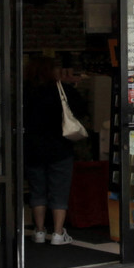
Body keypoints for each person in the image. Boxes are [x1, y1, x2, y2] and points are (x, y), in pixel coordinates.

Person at [22, 57, 81, 245]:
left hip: (32, 149)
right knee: (59, 191)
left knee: (37, 190)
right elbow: (81, 111)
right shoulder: (63, 91)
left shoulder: (24, 92)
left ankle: (39, 231)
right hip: (60, 148)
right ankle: (57, 233)